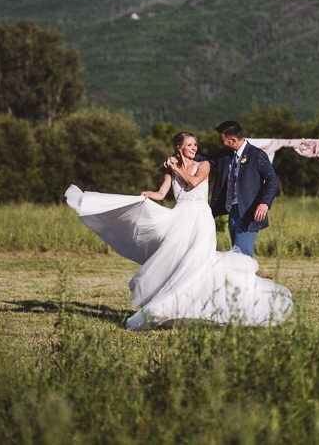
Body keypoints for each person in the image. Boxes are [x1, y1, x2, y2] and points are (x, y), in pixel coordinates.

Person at [65, 131, 292, 330]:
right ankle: (174, 307)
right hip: (179, 217)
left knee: (198, 261)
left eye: (196, 145)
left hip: (200, 218)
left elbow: (193, 183)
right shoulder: (170, 168)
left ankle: (205, 305)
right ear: (179, 147)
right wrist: (146, 195)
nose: (195, 148)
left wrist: (174, 167)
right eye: (190, 145)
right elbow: (162, 193)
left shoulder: (203, 165)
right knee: (179, 262)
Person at [209, 120, 279, 258]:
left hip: (249, 213)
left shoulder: (256, 155)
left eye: (222, 140)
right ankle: (240, 280)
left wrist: (265, 203)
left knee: (242, 256)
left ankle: (247, 279)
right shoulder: (226, 154)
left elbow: (272, 180)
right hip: (233, 212)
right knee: (236, 254)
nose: (221, 143)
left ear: (233, 140)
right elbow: (207, 159)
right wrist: (181, 156)